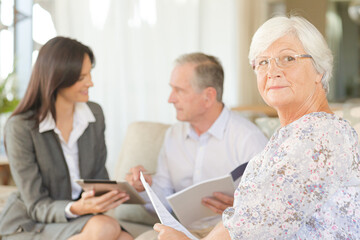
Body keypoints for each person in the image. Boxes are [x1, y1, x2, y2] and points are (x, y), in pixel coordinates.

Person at [153, 15, 360, 240]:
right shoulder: (291, 135)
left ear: (319, 70)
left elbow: (253, 229)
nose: (272, 71)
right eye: (262, 62)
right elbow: (244, 219)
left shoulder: (320, 135)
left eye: (288, 58)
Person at [0, 37, 133, 240]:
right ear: (57, 79)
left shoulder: (94, 115)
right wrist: (77, 208)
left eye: (90, 74)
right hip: (32, 221)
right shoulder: (20, 127)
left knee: (124, 237)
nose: (90, 82)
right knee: (105, 228)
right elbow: (36, 205)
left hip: (81, 219)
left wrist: (132, 188)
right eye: (81, 77)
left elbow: (98, 180)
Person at [126, 52, 268, 238]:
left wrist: (242, 208)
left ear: (208, 96)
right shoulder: (173, 135)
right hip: (181, 231)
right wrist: (144, 189)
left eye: (179, 90)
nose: (171, 99)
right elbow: (163, 203)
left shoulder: (248, 139)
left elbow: (268, 207)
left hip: (230, 233)